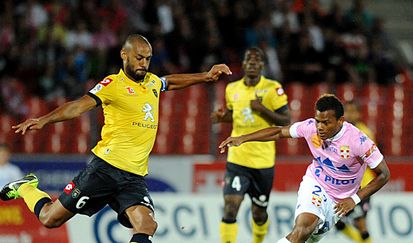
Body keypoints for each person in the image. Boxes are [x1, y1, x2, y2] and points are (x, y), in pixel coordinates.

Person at [0, 34, 232, 243]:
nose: (144, 64)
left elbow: (168, 82)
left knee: (147, 225)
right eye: (139, 58)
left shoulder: (151, 82)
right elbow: (79, 106)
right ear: (124, 55)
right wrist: (44, 120)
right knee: (50, 218)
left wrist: (206, 76)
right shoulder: (113, 85)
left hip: (133, 177)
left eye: (148, 59)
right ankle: (27, 188)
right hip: (104, 170)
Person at [219, 94, 390, 243]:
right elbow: (279, 132)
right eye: (318, 121)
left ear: (340, 121)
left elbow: (384, 174)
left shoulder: (359, 141)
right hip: (315, 184)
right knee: (302, 230)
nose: (320, 127)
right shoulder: (310, 127)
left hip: (341, 199)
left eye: (326, 123)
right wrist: (243, 138)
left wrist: (354, 199)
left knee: (306, 238)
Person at [211, 47, 290, 243]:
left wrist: (262, 109)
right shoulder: (232, 89)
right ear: (244, 64)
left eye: (256, 61)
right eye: (249, 60)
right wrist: (223, 118)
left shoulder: (273, 88)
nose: (252, 63)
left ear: (262, 65)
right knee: (230, 207)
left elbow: (286, 120)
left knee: (259, 214)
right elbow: (235, 115)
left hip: (263, 162)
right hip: (237, 159)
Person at [334, 100, 377, 243]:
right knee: (338, 224)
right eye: (348, 111)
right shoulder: (338, 132)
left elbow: (366, 158)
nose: (350, 114)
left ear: (359, 114)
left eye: (353, 111)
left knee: (361, 225)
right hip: (344, 186)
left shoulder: (365, 132)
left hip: (363, 185)